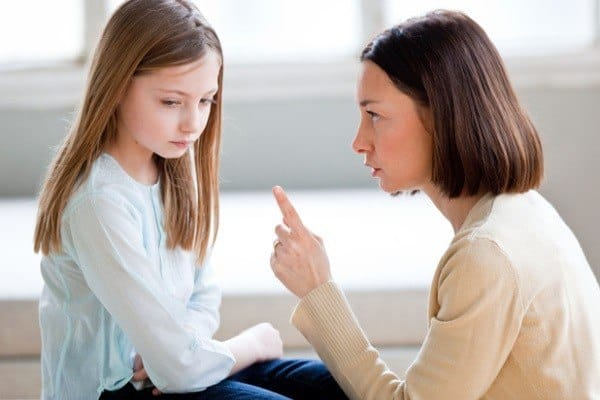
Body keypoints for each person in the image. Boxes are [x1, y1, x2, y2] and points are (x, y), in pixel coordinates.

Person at [270, 10, 600, 400]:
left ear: (442, 116)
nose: (358, 141)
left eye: (375, 115)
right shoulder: (529, 211)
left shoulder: (485, 255)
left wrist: (317, 288)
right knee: (272, 374)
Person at [33, 1, 347, 399]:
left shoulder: (171, 171)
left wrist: (175, 353)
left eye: (205, 100)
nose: (193, 123)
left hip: (167, 376)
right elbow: (179, 368)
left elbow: (202, 293)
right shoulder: (100, 202)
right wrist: (253, 344)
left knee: (339, 387)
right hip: (114, 391)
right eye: (171, 102)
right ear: (116, 86)